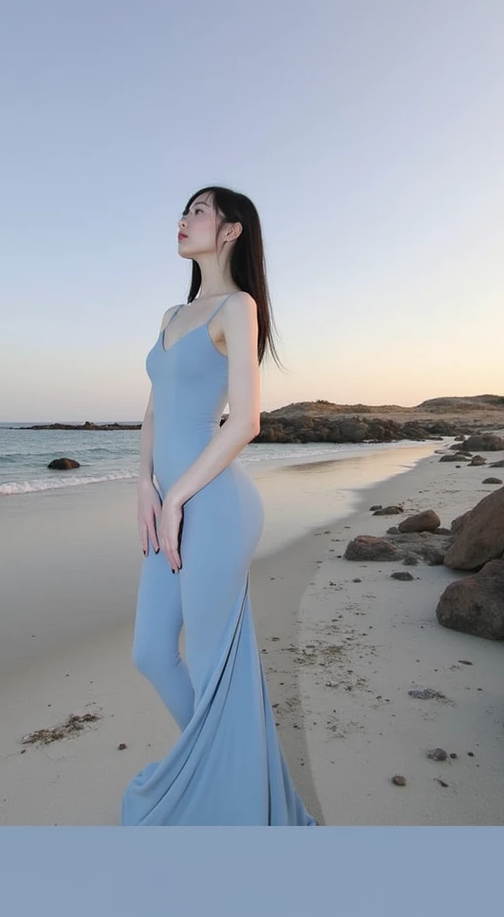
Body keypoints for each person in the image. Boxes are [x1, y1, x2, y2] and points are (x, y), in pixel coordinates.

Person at [121, 186, 316, 826]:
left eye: (198, 211)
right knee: (151, 651)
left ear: (230, 231)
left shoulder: (238, 307)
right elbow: (153, 413)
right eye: (183, 209)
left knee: (210, 666)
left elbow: (247, 421)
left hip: (216, 507)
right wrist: (146, 485)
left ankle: (230, 804)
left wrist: (177, 494)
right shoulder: (171, 315)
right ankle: (217, 775)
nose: (183, 218)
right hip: (168, 506)